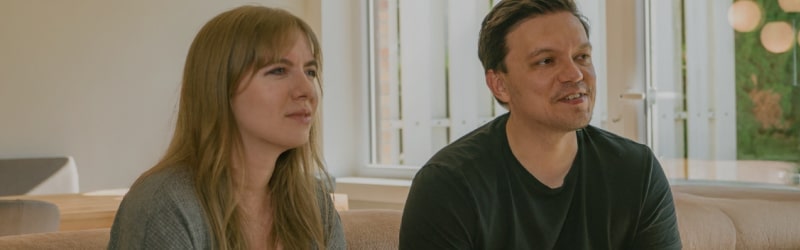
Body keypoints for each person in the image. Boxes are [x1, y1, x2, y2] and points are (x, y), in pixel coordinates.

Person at [399, 0, 681, 249]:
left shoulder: (636, 172)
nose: (574, 73)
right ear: (499, 85)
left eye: (581, 57)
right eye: (546, 61)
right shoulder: (448, 186)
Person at [108, 6, 345, 250]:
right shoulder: (165, 205)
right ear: (219, 87)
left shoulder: (315, 204)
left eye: (310, 71)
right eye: (278, 70)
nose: (307, 91)